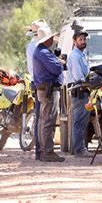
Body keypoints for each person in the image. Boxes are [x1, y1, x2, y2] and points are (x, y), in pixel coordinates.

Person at [33, 26, 66, 162]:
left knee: (43, 121)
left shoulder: (40, 51)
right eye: (51, 37)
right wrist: (61, 62)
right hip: (49, 90)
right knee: (48, 121)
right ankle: (47, 151)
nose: (53, 39)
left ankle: (43, 151)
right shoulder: (44, 53)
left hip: (43, 89)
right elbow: (56, 68)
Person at [67, 29, 93, 158]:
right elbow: (79, 77)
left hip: (84, 91)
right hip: (80, 91)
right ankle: (79, 150)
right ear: (74, 41)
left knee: (83, 121)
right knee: (80, 122)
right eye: (80, 39)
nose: (83, 42)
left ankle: (81, 148)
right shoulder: (75, 56)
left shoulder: (82, 55)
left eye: (84, 39)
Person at [25, 19, 49, 161]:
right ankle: (41, 150)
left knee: (40, 117)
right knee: (42, 117)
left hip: (37, 83)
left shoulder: (32, 46)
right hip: (41, 83)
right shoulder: (37, 48)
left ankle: (40, 150)